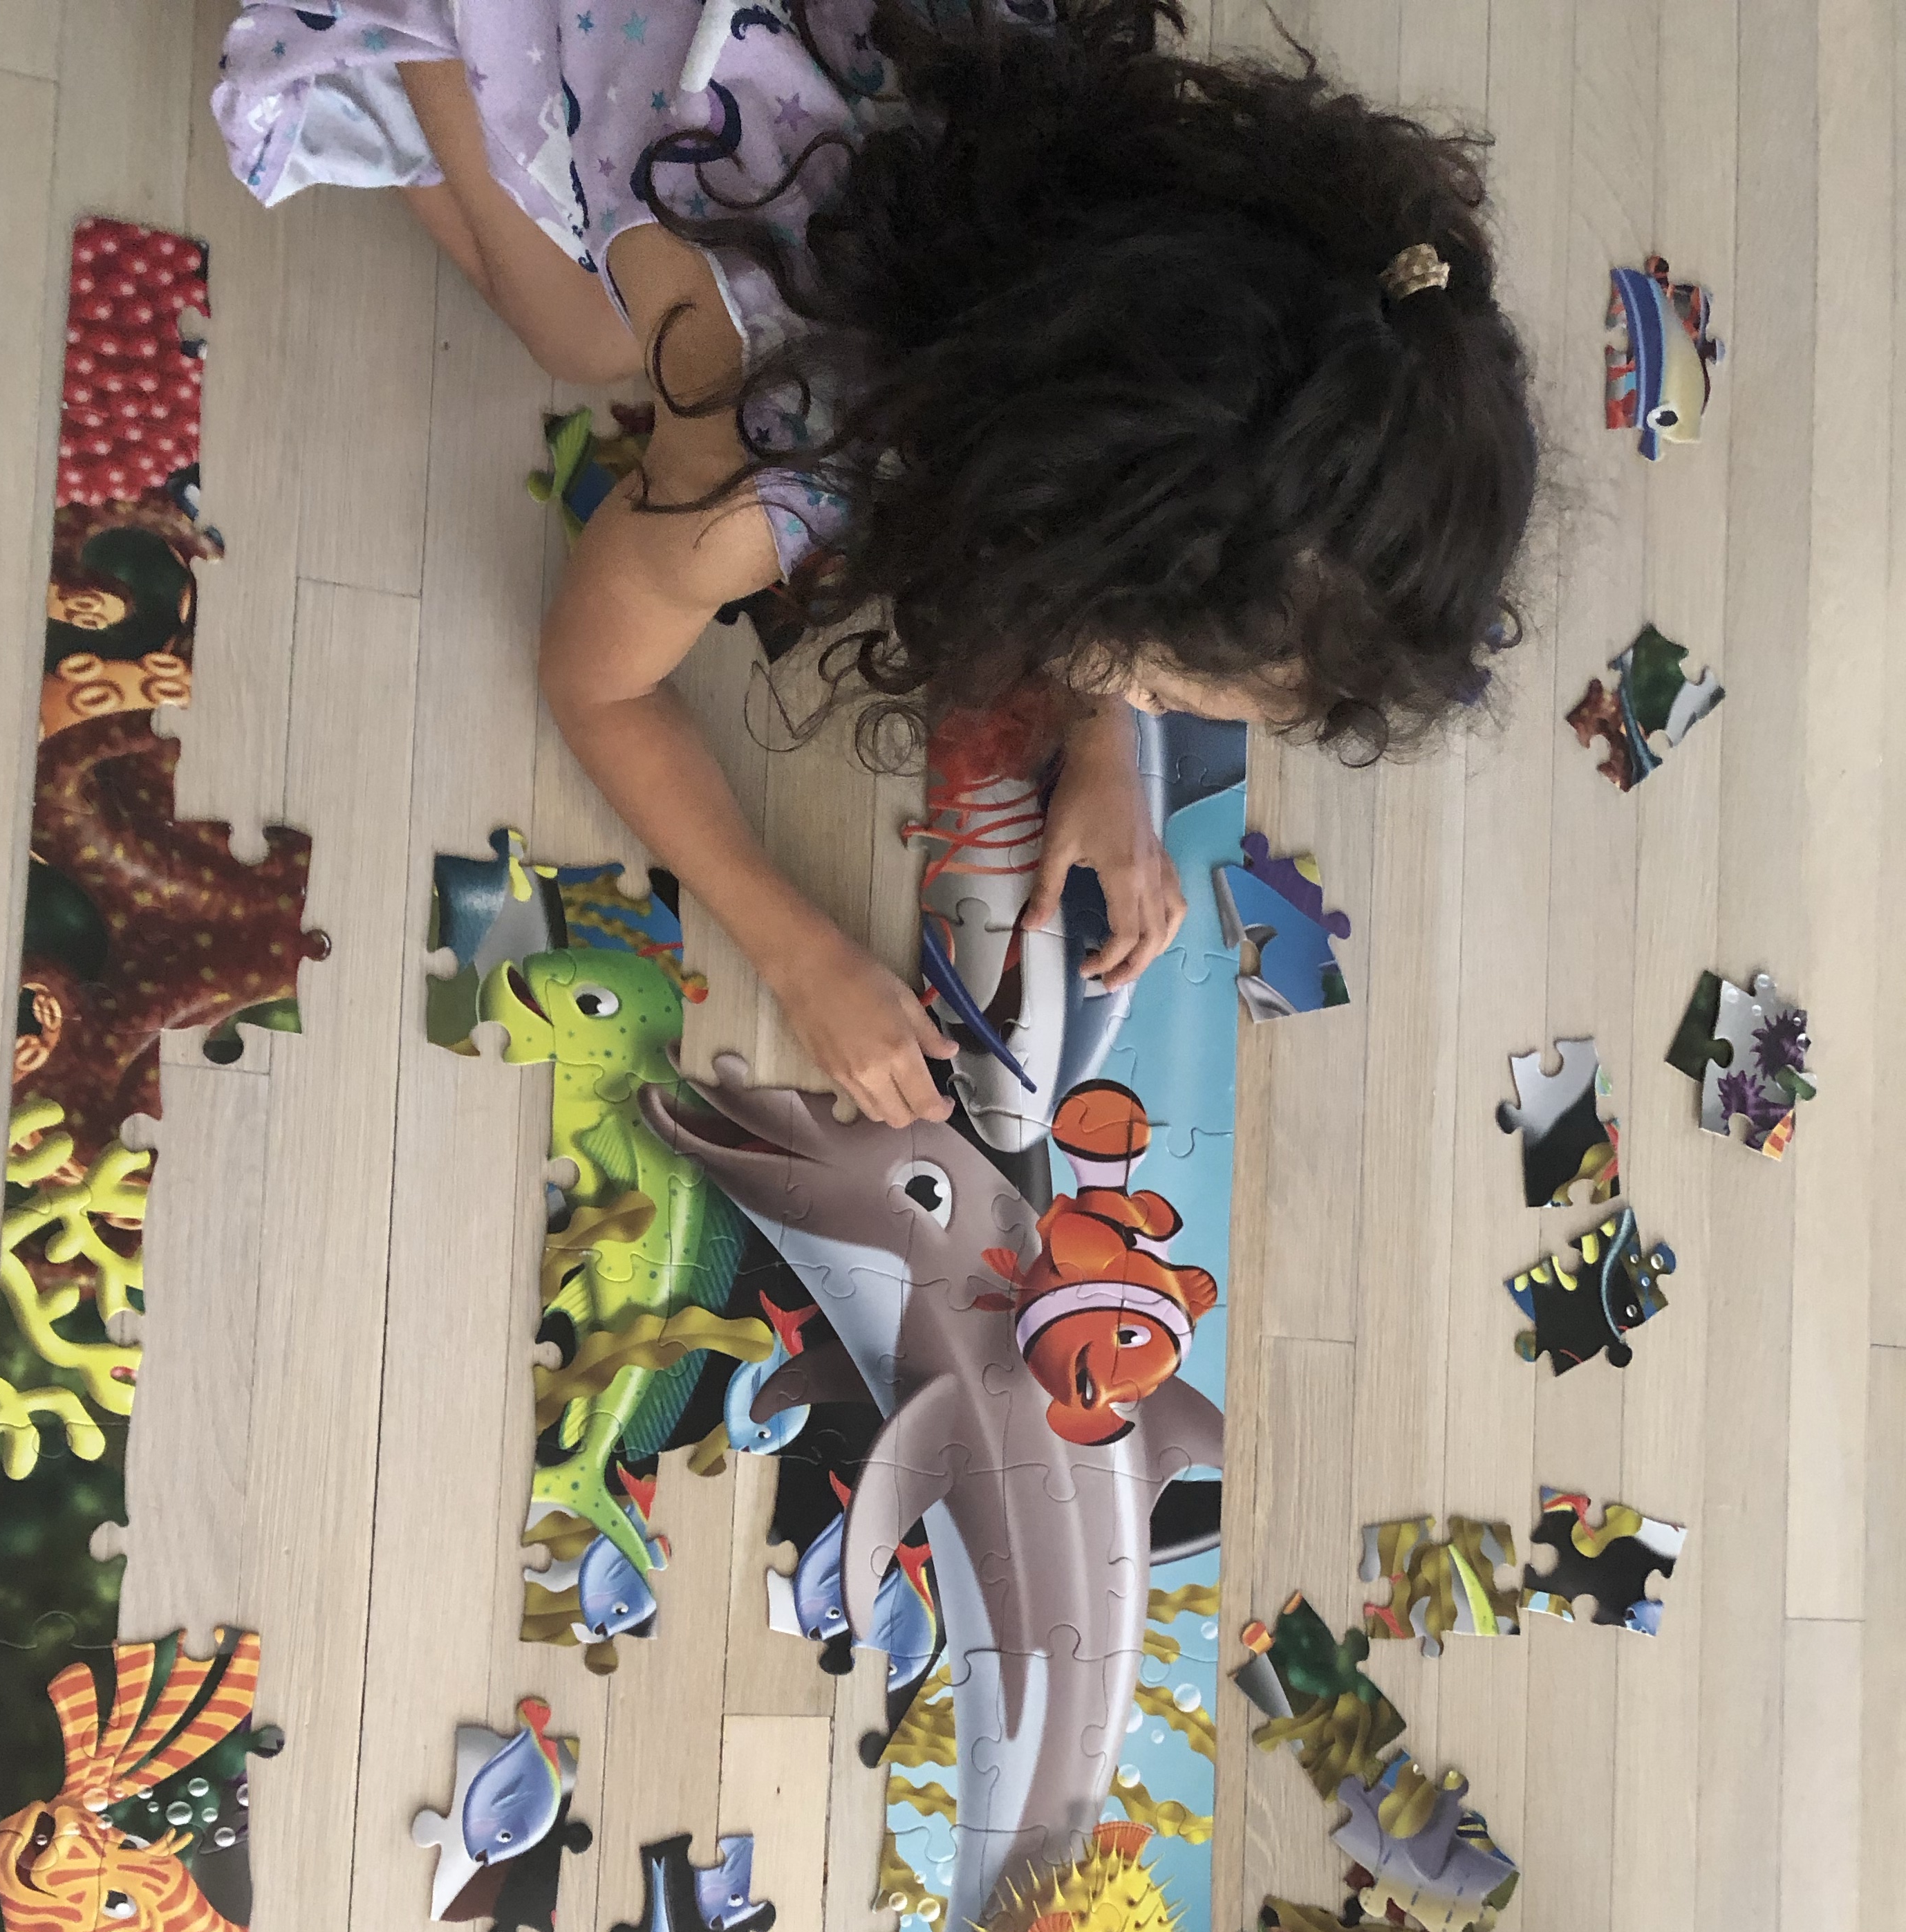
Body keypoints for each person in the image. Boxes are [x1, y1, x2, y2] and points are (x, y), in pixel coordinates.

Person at [214, 1, 1536, 1123]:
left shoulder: (1069, 96)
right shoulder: (745, 458)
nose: (1154, 708)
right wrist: (796, 955)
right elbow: (593, 684)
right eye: (1164, 689)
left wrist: (1103, 746)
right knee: (578, 338)